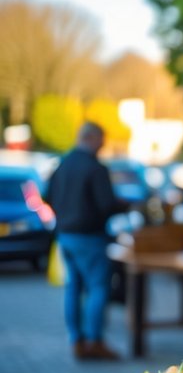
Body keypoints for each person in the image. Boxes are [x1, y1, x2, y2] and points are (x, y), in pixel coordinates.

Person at [46, 122, 125, 360]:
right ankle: (94, 340)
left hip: (66, 235)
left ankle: (76, 340)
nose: (103, 145)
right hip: (89, 237)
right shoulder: (95, 167)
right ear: (91, 138)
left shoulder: (62, 164)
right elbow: (106, 204)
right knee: (98, 287)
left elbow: (46, 196)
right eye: (101, 140)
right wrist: (124, 204)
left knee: (74, 287)